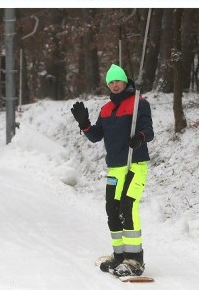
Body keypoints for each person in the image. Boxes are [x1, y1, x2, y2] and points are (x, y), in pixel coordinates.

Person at [70, 64, 154, 278]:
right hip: (116, 167)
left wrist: (140, 138)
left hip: (135, 165)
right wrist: (84, 123)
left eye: (118, 81)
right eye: (111, 82)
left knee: (127, 207)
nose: (115, 85)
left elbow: (148, 130)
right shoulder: (106, 109)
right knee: (112, 210)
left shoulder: (138, 104)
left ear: (125, 82)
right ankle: (119, 255)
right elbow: (96, 135)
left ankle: (135, 260)